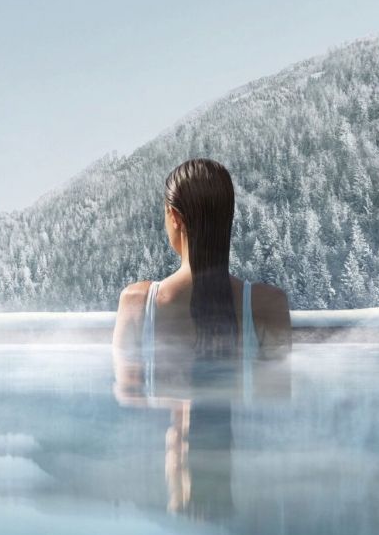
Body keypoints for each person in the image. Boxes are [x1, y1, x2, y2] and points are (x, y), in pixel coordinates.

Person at [112, 158, 291, 396]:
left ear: (174, 216)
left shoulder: (136, 301)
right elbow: (275, 403)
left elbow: (129, 402)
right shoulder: (268, 304)